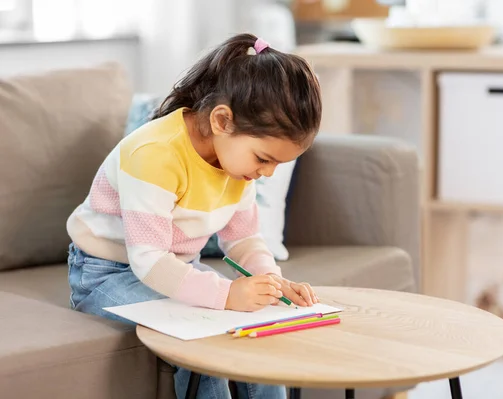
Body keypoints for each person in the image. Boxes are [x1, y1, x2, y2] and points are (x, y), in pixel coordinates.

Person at [66, 33, 322, 399]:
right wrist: (228, 295)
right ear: (222, 121)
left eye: (277, 165)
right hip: (105, 273)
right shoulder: (155, 154)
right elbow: (150, 262)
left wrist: (271, 283)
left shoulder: (237, 165)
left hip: (172, 268)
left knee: (262, 329)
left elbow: (244, 239)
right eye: (264, 159)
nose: (267, 173)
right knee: (204, 341)